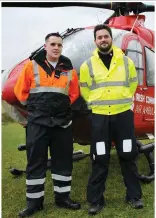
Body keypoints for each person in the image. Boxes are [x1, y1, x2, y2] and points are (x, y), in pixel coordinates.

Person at [14, 32, 81, 217]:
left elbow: (74, 95)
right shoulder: (31, 66)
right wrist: (38, 109)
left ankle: (63, 199)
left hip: (62, 124)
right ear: (46, 46)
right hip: (38, 124)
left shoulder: (69, 69)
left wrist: (59, 109)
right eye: (53, 44)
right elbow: (20, 92)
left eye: (59, 45)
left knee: (63, 162)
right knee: (36, 162)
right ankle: (34, 204)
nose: (56, 47)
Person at [80, 24, 143, 215]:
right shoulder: (87, 65)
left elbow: (133, 84)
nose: (103, 40)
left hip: (123, 115)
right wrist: (94, 102)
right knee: (99, 157)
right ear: (95, 41)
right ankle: (96, 201)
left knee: (127, 154)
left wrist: (122, 99)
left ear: (111, 39)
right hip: (100, 118)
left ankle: (134, 197)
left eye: (105, 37)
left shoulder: (126, 62)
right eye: (99, 38)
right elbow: (85, 89)